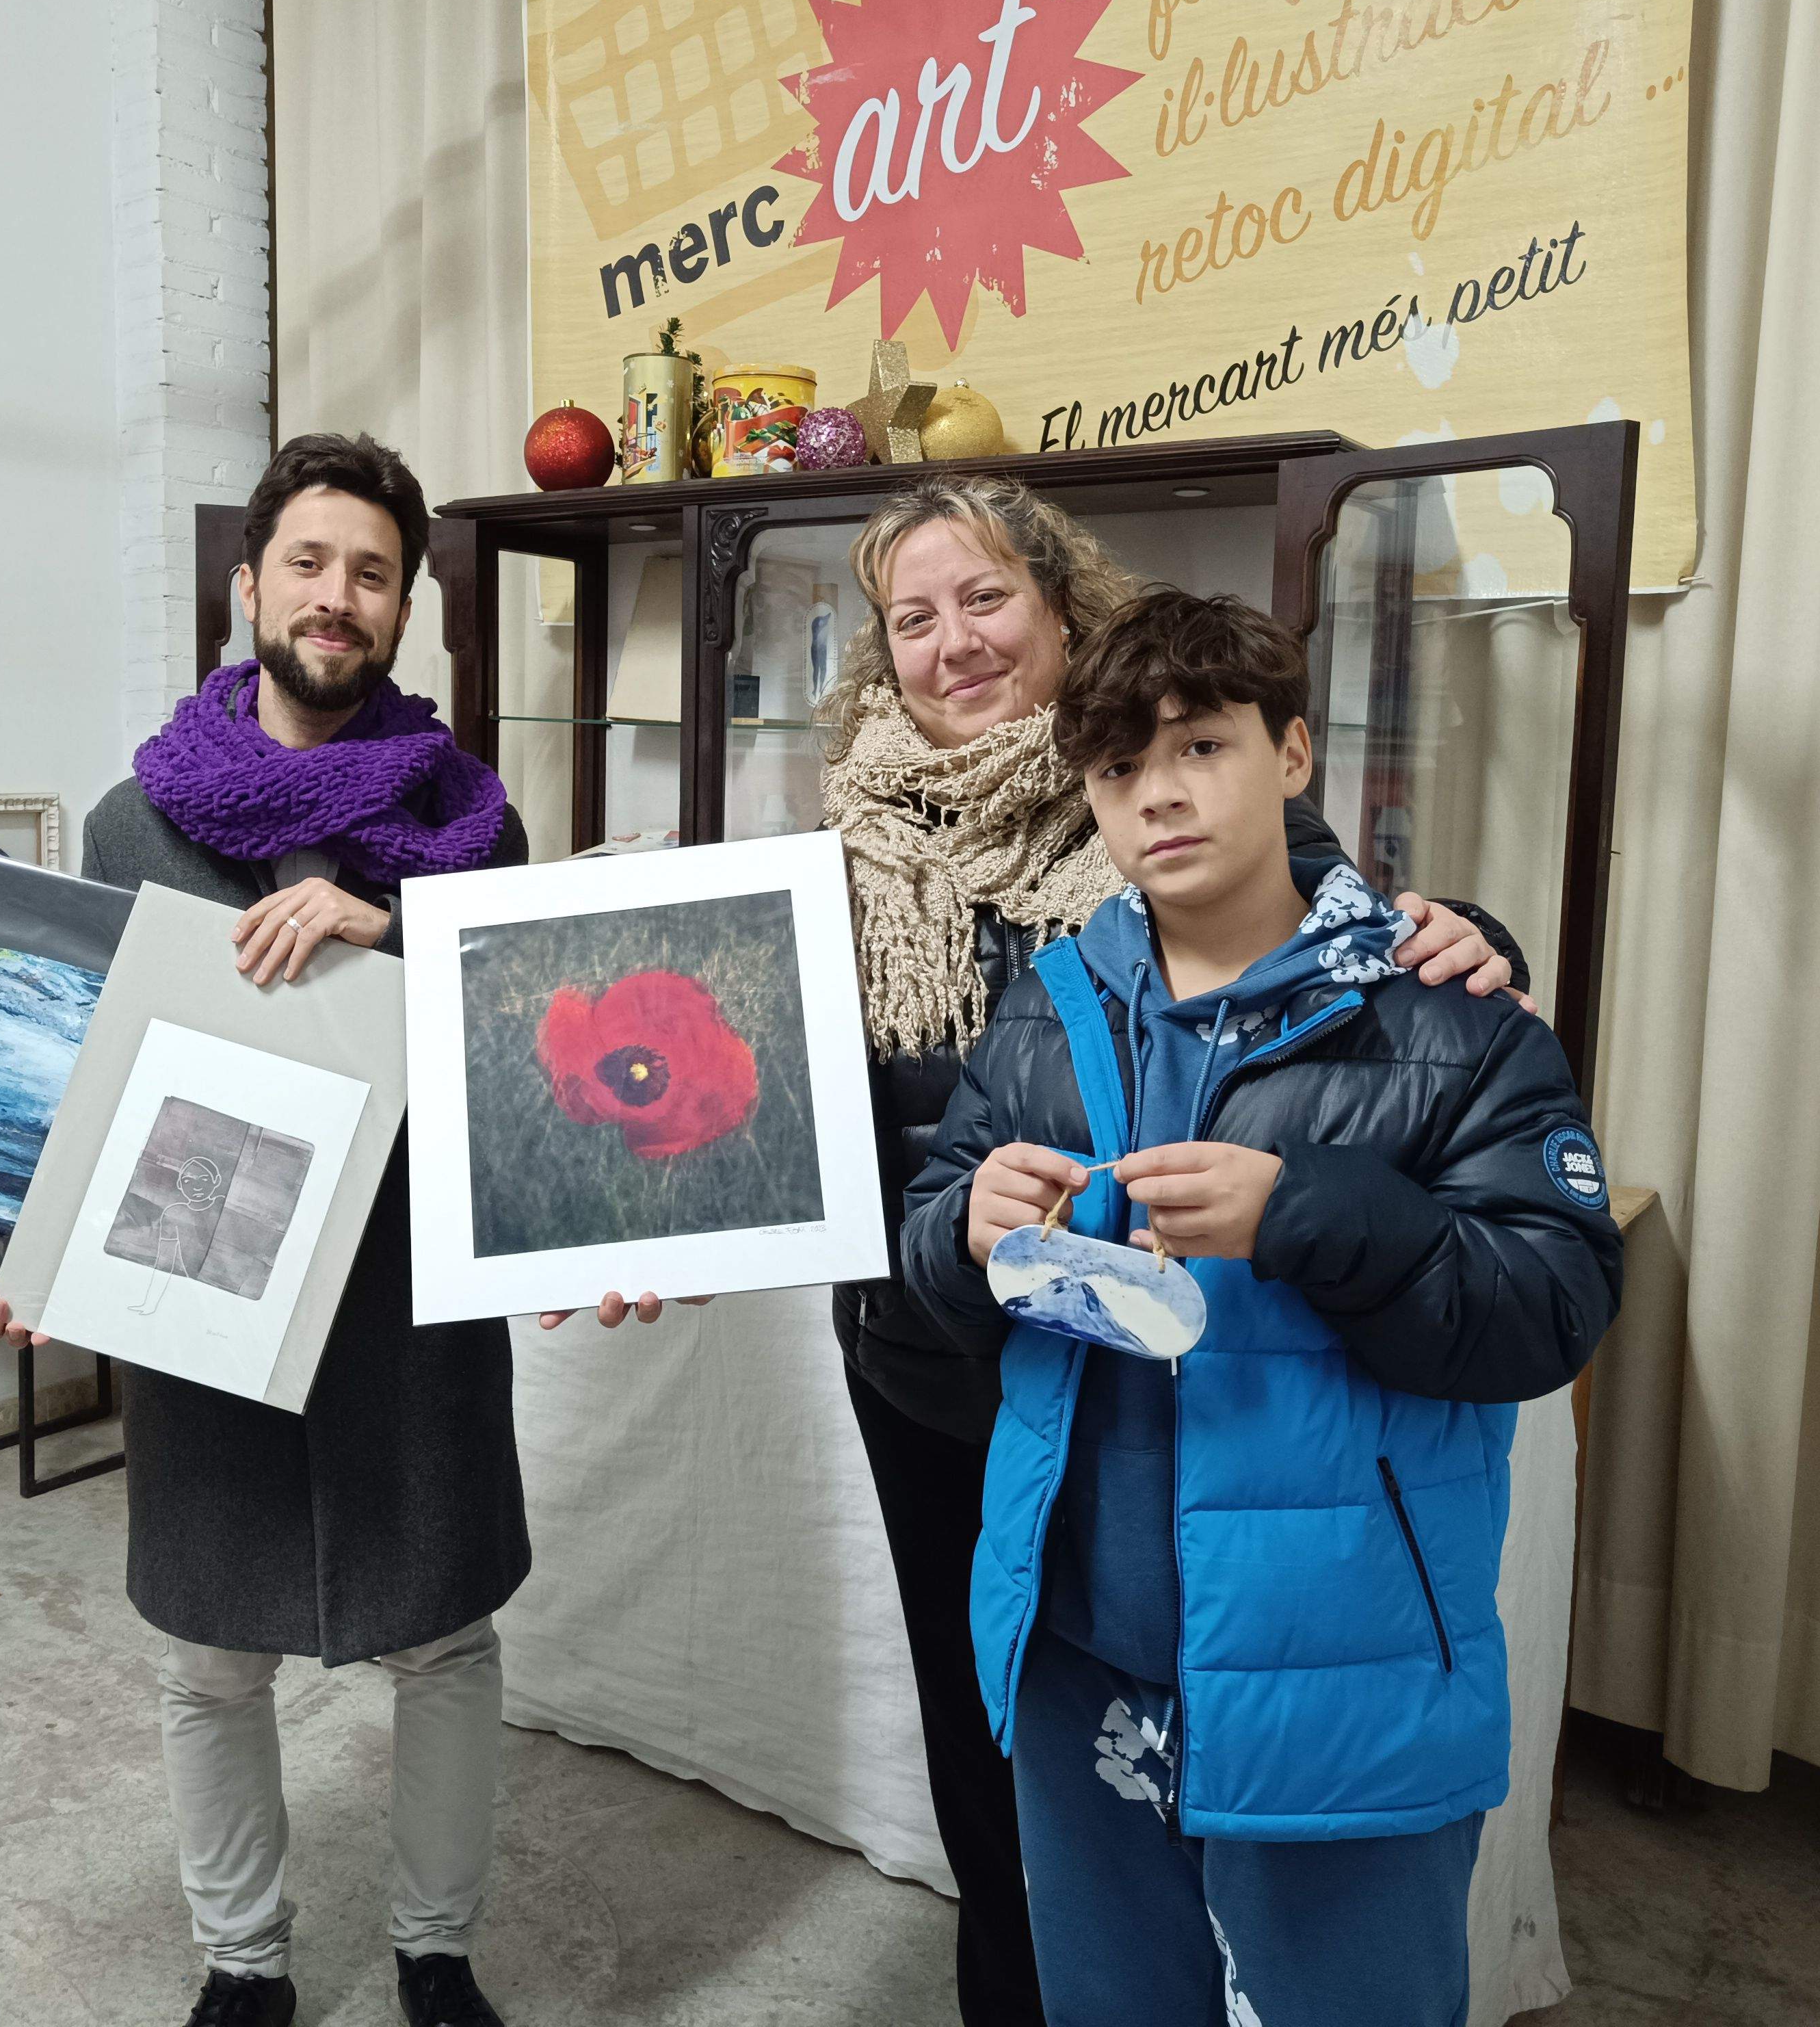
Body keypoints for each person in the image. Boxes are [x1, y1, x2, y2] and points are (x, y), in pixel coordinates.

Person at [603, 474, 1529, 2023]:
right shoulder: (827, 861)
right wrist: (654, 1221)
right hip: (930, 1353)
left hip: (1159, 1381)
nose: (952, 644)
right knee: (997, 1757)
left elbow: (1354, 936)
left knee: (1207, 1755)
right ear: (874, 655)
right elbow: (740, 1110)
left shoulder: (1162, 775)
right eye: (912, 618)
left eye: (985, 601)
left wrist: (1473, 928)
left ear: (1056, 604)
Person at [897, 586, 1622, 2025]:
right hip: (1080, 1652)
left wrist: (1302, 1214)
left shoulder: (1443, 1018)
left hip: (1336, 1659)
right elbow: (940, 1237)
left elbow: (1548, 1307)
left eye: (1201, 747)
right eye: (1114, 769)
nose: (1157, 795)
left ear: (1291, 755)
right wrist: (959, 1236)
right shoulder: (1051, 1006)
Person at [0, 433, 523, 2027]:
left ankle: (434, 1951)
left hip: (412, 1296)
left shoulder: (474, 822)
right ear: (247, 586)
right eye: (308, 563)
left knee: (444, 1637)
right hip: (198, 1291)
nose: (335, 597)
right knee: (207, 1653)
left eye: (369, 572)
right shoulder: (134, 824)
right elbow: (76, 1072)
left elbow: (516, 1052)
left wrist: (394, 919)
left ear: (404, 605)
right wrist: (28, 1253)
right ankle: (245, 1967)